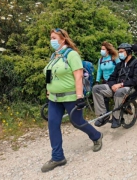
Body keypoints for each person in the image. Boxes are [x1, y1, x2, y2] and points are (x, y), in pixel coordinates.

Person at [42, 28, 103, 173]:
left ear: (63, 39)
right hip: (54, 98)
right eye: (51, 38)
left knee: (77, 122)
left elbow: (78, 76)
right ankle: (58, 157)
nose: (52, 41)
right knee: (52, 125)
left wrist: (79, 97)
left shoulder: (72, 54)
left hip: (70, 97)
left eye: (54, 38)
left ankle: (97, 135)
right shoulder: (54, 56)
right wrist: (48, 89)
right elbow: (49, 74)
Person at [92, 43, 137, 128]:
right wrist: (112, 85)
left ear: (128, 52)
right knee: (96, 89)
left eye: (121, 52)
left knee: (120, 92)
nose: (119, 54)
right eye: (119, 52)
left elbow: (136, 80)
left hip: (130, 87)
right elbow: (112, 77)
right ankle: (104, 115)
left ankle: (116, 118)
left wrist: (120, 85)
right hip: (116, 87)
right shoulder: (119, 65)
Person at [95, 41, 120, 114]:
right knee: (104, 97)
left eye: (103, 49)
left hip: (114, 80)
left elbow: (120, 68)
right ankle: (105, 114)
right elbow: (99, 71)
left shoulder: (114, 58)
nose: (101, 51)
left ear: (108, 50)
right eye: (101, 49)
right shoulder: (101, 60)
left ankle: (124, 108)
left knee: (116, 96)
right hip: (105, 81)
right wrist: (97, 81)